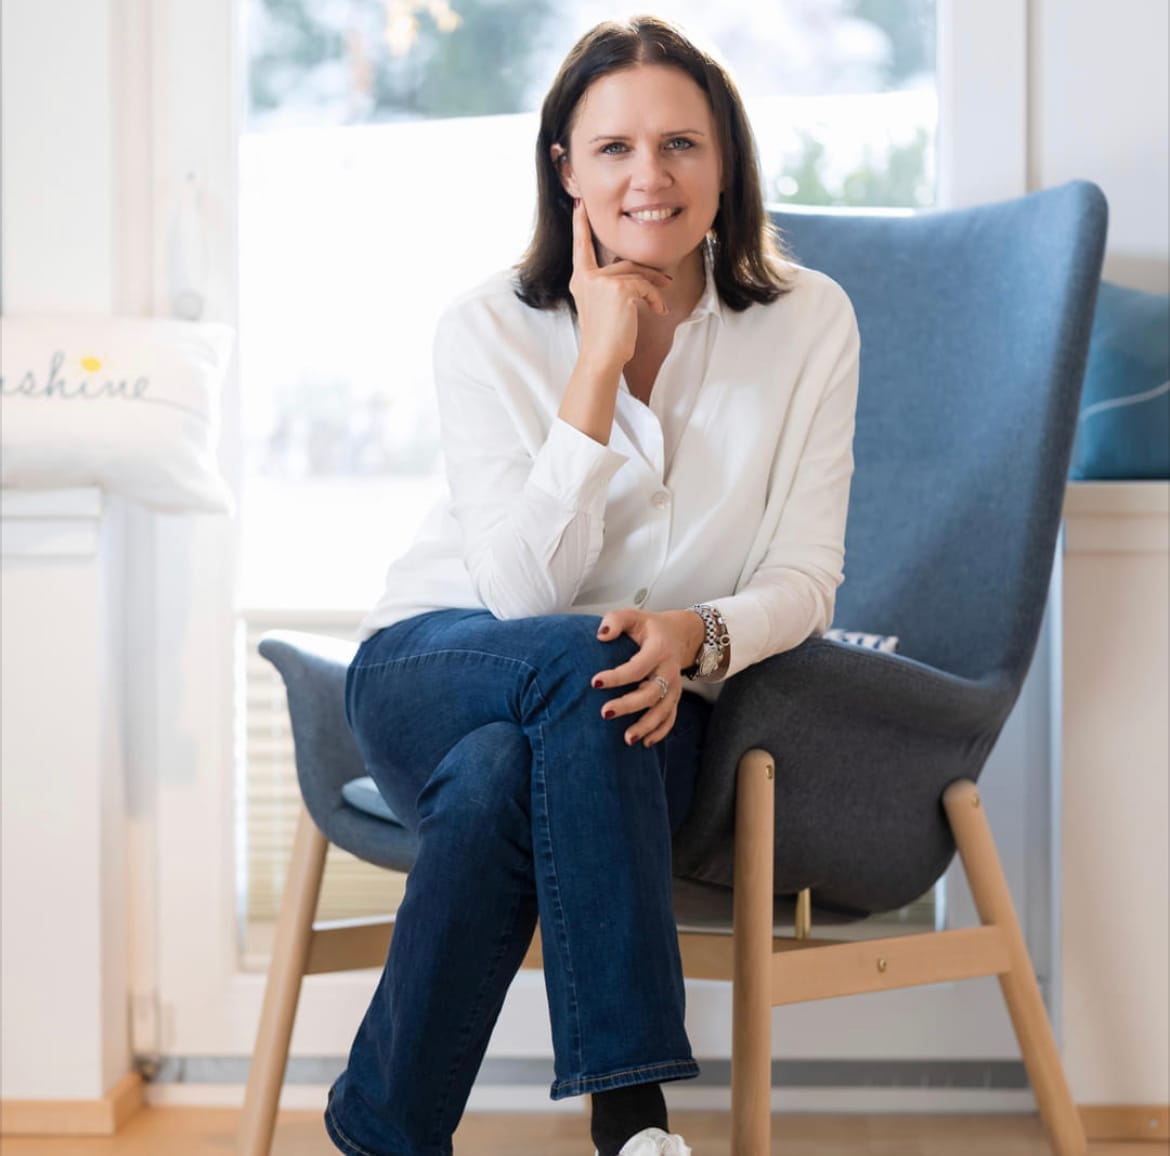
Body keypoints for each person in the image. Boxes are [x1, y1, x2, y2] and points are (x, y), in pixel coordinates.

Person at [326, 15, 860, 1156]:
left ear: (727, 162)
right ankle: (634, 1122)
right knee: (577, 657)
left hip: (638, 714)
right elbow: (524, 597)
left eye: (681, 144)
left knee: (499, 779)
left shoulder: (810, 321)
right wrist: (596, 364)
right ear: (565, 169)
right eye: (614, 148)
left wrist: (697, 633)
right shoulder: (484, 328)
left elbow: (807, 576)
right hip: (439, 663)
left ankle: (380, 1133)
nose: (648, 177)